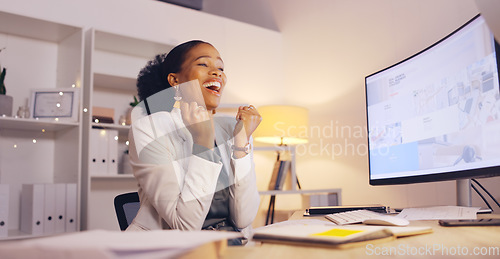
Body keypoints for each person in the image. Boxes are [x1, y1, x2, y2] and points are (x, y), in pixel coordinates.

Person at [126, 40, 262, 245]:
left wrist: (241, 143)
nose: (216, 73)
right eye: (203, 64)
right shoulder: (149, 129)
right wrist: (203, 141)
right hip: (172, 249)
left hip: (233, 247)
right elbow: (184, 226)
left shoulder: (232, 127)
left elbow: (243, 218)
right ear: (175, 81)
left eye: (221, 68)